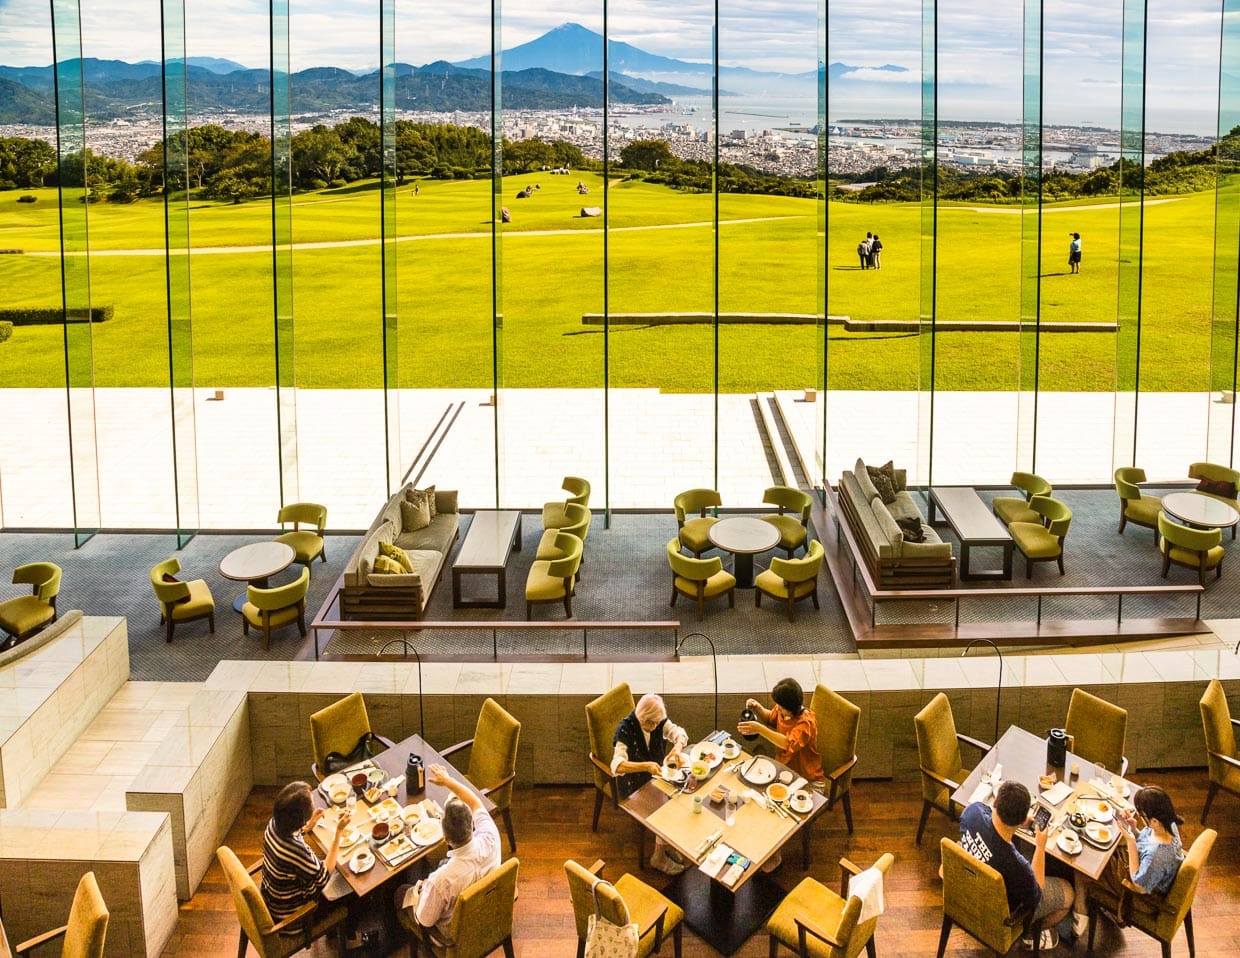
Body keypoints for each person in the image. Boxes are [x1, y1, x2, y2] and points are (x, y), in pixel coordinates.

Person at [958, 781, 1074, 950]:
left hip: (968, 889)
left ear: (996, 802)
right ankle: (1028, 935)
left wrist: (1021, 822)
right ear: (1020, 820)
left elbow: (986, 811)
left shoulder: (972, 812)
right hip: (1001, 914)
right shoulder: (1018, 867)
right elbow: (1037, 892)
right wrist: (1040, 847)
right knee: (1068, 892)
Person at [396, 763, 501, 938]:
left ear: (445, 839)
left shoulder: (440, 882)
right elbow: (475, 802)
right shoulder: (491, 836)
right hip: (487, 911)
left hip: (456, 935)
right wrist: (448, 781)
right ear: (473, 823)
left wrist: (421, 892)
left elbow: (425, 921)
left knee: (400, 892)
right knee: (439, 867)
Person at [1071, 786, 1184, 934]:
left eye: (1142, 815)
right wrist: (1134, 829)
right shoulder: (1169, 824)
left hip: (1140, 893)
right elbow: (1146, 841)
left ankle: (1080, 913)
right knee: (1103, 847)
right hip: (1147, 870)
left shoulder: (1157, 855)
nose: (1140, 816)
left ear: (1154, 821)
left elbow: (1138, 885)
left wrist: (1131, 842)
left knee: (1084, 864)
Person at [612, 693, 689, 874]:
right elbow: (617, 766)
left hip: (657, 777)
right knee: (667, 808)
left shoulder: (657, 721)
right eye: (652, 724)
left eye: (657, 723)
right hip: (634, 785)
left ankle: (666, 841)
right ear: (642, 718)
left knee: (683, 794)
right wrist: (645, 766)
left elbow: (680, 733)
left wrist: (677, 749)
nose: (656, 728)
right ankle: (658, 857)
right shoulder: (625, 730)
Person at [261, 781, 352, 922]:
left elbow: (292, 838)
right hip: (295, 916)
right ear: (299, 817)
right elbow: (323, 878)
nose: (314, 804)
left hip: (275, 900)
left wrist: (307, 826)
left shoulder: (274, 824)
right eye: (312, 803)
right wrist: (339, 832)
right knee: (355, 887)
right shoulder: (296, 850)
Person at [739, 677, 825, 786]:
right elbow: (771, 718)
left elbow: (788, 743)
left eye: (781, 706)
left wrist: (759, 729)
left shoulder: (806, 724)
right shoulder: (783, 711)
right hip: (785, 771)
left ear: (792, 707)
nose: (778, 708)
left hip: (807, 780)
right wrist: (758, 708)